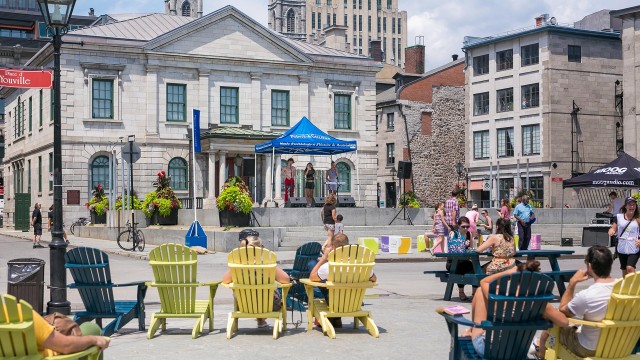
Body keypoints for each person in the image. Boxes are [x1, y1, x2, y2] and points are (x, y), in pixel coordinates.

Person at [463, 260, 569, 358]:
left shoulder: (501, 295)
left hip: (488, 349)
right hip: (518, 350)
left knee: (481, 292)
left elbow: (484, 282)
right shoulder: (540, 303)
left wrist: (509, 272)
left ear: (515, 278)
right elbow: (564, 322)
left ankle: (472, 330)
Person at [533, 246, 615, 359]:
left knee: (554, 322)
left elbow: (562, 312)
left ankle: (541, 354)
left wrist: (572, 283)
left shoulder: (587, 295)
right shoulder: (625, 289)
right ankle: (539, 346)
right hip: (617, 345)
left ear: (589, 266)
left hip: (588, 348)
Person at [221, 229, 291, 328]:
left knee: (251, 293)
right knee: (265, 292)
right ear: (261, 249)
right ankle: (261, 319)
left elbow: (225, 280)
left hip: (244, 305)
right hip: (269, 305)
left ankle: (260, 320)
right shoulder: (267, 265)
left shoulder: (237, 267)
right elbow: (286, 280)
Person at [0, 298, 110, 357]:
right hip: (59, 355)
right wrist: (94, 339)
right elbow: (66, 346)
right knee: (91, 328)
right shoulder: (22, 314)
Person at [310, 233, 377, 328]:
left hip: (334, 303)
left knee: (321, 279)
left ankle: (334, 318)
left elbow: (312, 277)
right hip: (354, 302)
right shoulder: (362, 266)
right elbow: (374, 278)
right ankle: (336, 319)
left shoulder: (329, 267)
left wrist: (324, 258)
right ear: (348, 246)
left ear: (333, 247)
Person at [608, 196, 640, 277]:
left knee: (630, 267)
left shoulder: (638, 218)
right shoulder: (618, 217)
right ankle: (626, 288)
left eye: (633, 205)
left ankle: (636, 286)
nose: (632, 206)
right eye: (629, 204)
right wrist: (611, 231)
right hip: (622, 246)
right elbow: (613, 228)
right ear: (625, 206)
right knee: (624, 270)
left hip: (634, 247)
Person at [446, 216, 476, 301]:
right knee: (460, 268)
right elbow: (452, 248)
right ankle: (461, 292)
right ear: (458, 226)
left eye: (467, 226)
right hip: (453, 262)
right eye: (463, 226)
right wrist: (463, 244)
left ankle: (474, 293)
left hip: (464, 260)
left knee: (476, 269)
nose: (466, 228)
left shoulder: (468, 234)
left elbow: (471, 249)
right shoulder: (453, 233)